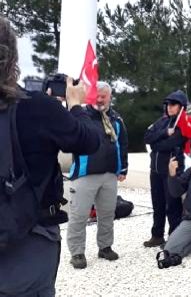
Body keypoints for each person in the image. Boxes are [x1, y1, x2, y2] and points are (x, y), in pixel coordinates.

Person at [0, 17, 101, 296]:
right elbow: (89, 140)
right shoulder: (38, 109)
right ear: (11, 56)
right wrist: (76, 105)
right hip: (27, 242)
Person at [66, 81, 129, 269]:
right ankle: (77, 252)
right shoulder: (81, 115)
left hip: (110, 174)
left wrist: (123, 168)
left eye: (104, 96)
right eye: (97, 95)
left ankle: (105, 247)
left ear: (110, 97)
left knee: (107, 214)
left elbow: (122, 144)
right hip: (85, 173)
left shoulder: (116, 119)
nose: (100, 99)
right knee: (79, 215)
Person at [143, 91, 188, 248]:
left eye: (173, 104)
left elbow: (168, 144)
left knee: (173, 205)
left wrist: (156, 142)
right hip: (155, 170)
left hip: (171, 171)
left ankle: (174, 237)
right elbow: (147, 137)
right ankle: (157, 235)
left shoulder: (183, 125)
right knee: (158, 204)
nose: (169, 107)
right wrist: (163, 134)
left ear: (181, 107)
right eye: (168, 104)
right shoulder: (162, 122)